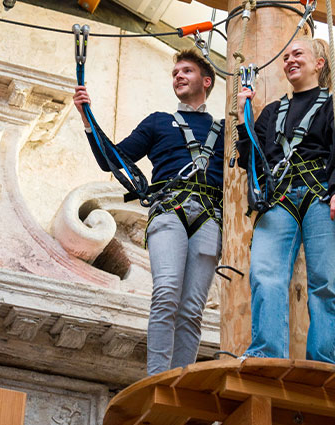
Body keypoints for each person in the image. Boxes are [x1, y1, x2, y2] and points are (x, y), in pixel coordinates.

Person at [72, 48, 225, 375]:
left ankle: (179, 380)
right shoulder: (159, 122)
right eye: (175, 73)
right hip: (170, 211)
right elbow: (111, 158)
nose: (179, 76)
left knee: (192, 308)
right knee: (167, 292)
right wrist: (88, 120)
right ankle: (158, 377)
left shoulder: (227, 132)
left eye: (187, 71)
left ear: (206, 81)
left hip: (210, 217)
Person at [238, 39, 335, 365]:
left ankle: (322, 360)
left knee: (324, 283)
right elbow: (253, 159)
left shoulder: (334, 103)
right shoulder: (272, 112)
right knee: (265, 273)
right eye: (286, 57)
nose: (290, 61)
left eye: (298, 55)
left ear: (319, 63)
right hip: (280, 197)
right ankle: (267, 353)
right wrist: (245, 117)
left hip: (322, 195)